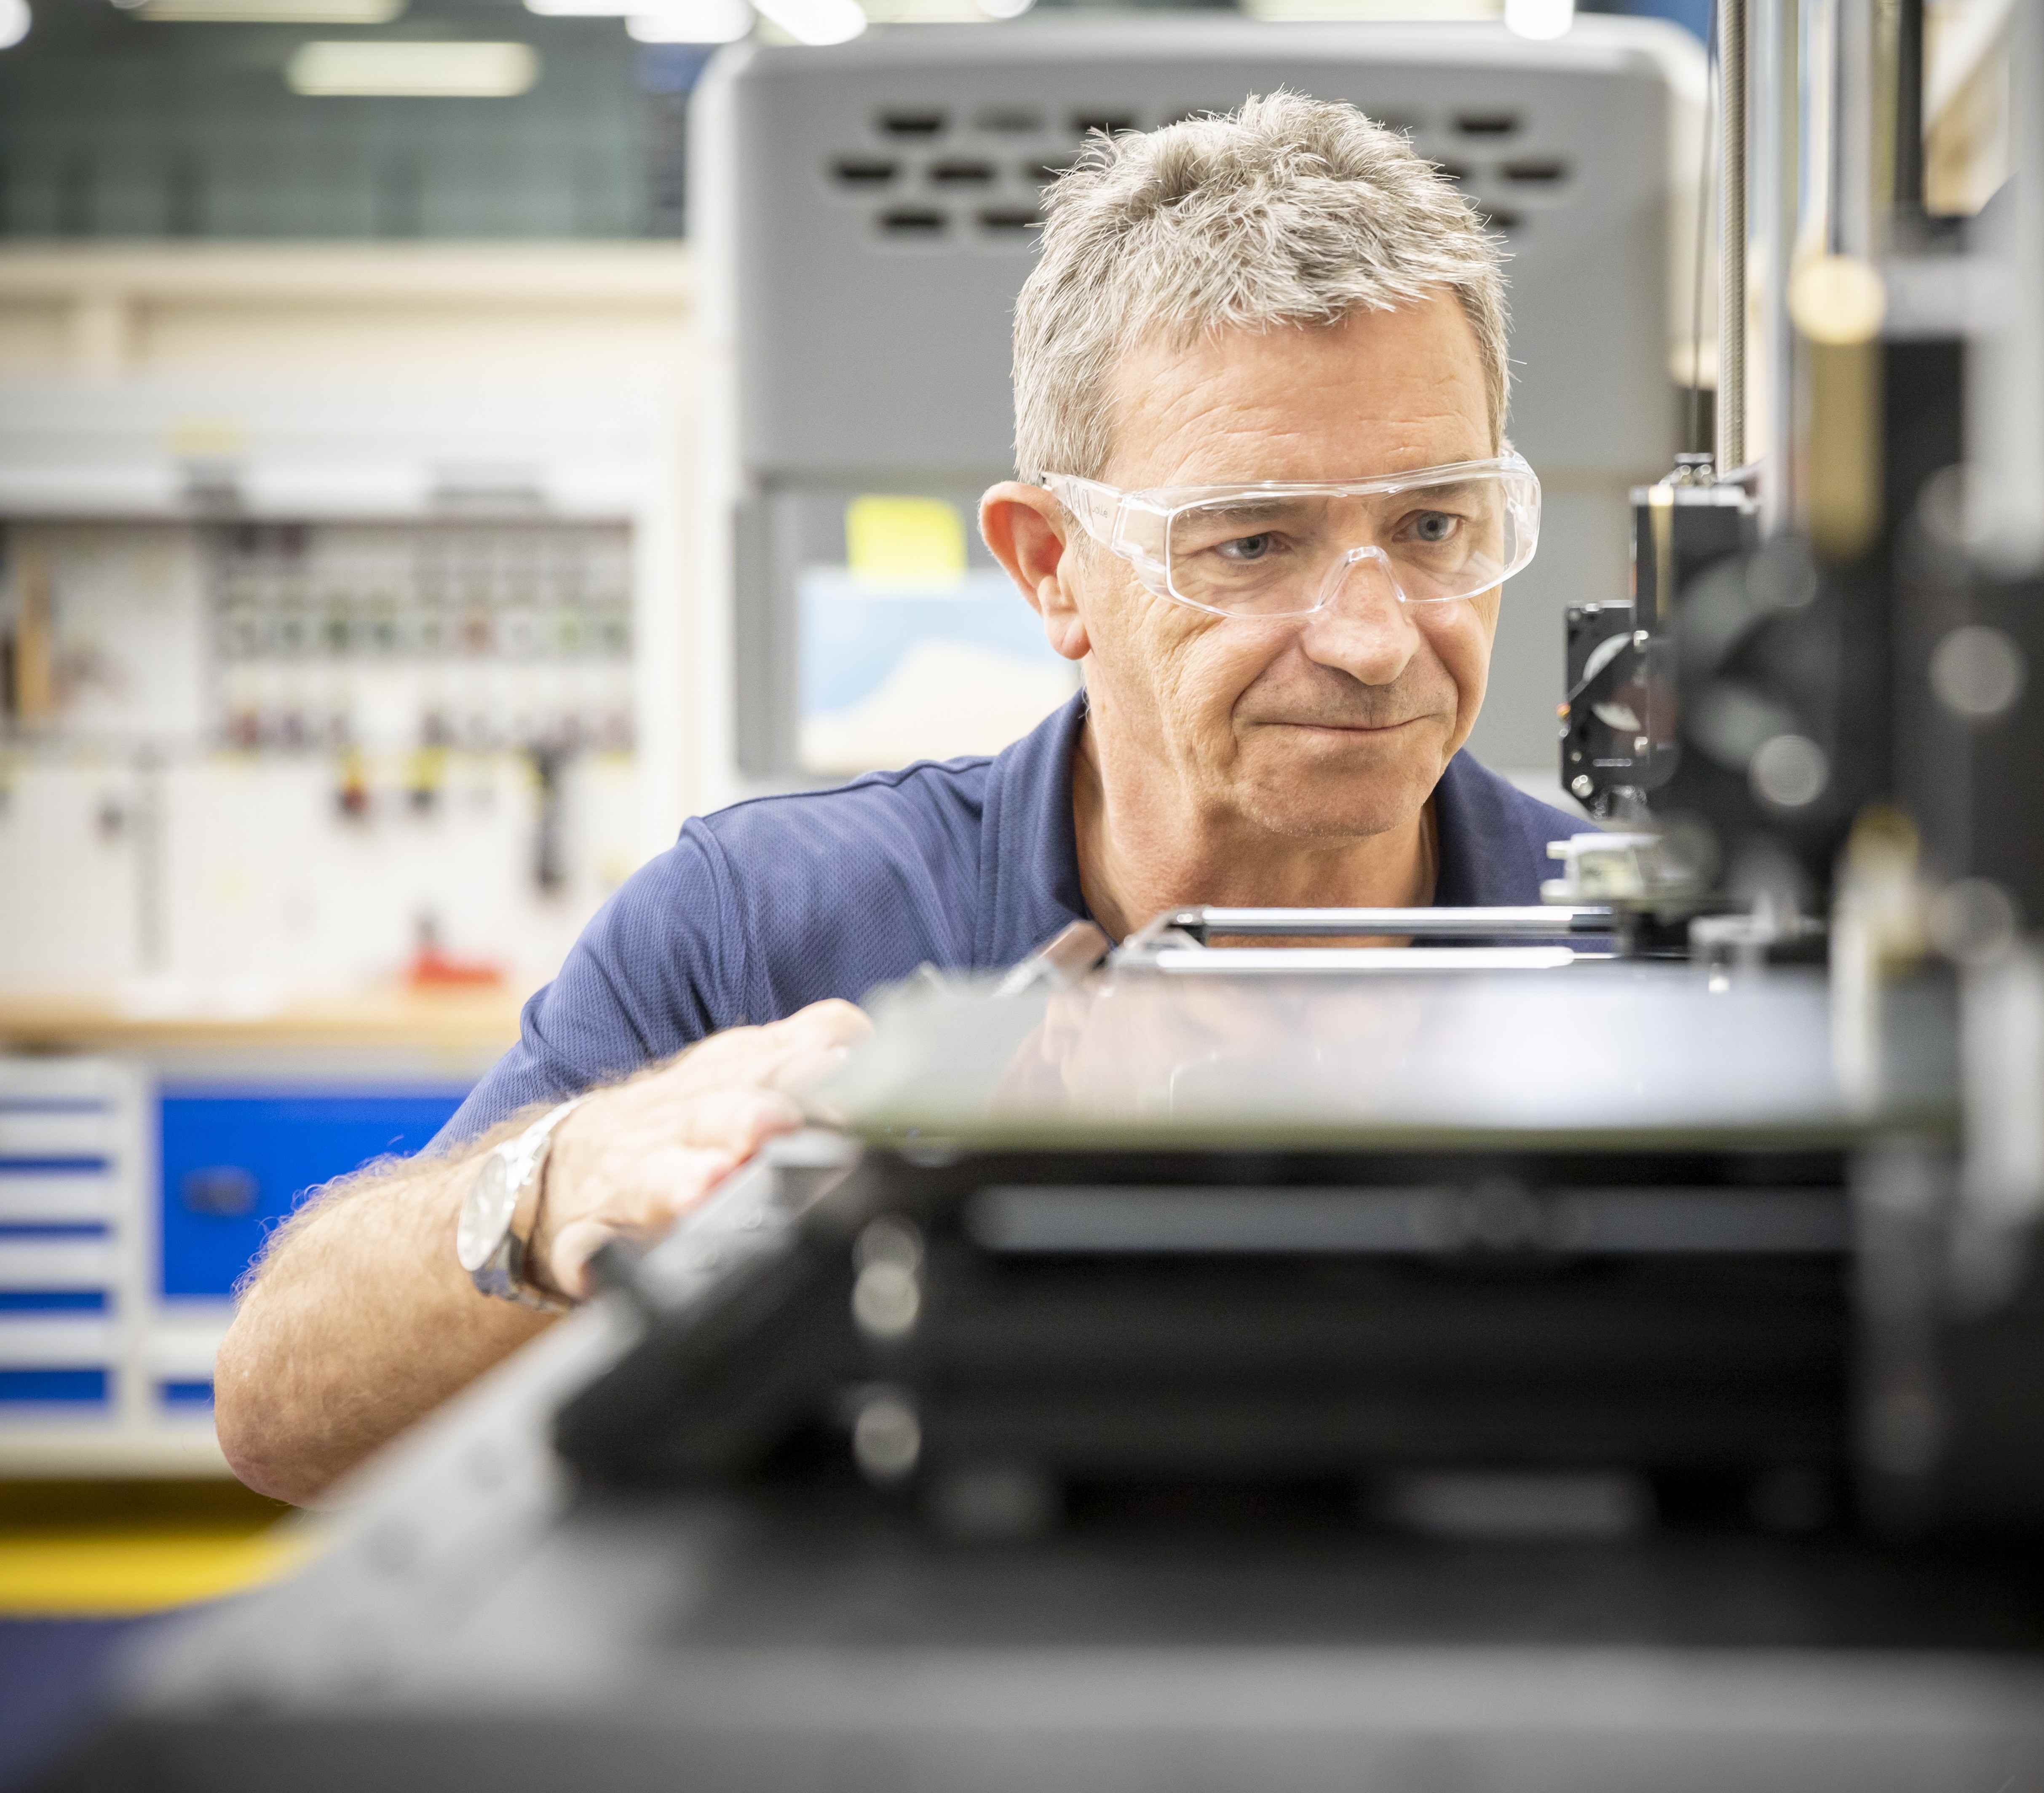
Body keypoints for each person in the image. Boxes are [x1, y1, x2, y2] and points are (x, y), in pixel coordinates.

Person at [216, 92, 1576, 1505]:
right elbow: (281, 1417)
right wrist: (561, 1187)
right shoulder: (772, 930)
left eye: (1434, 527)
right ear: (1052, 565)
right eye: (1249, 544)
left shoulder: (1652, 953)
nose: (1372, 638)